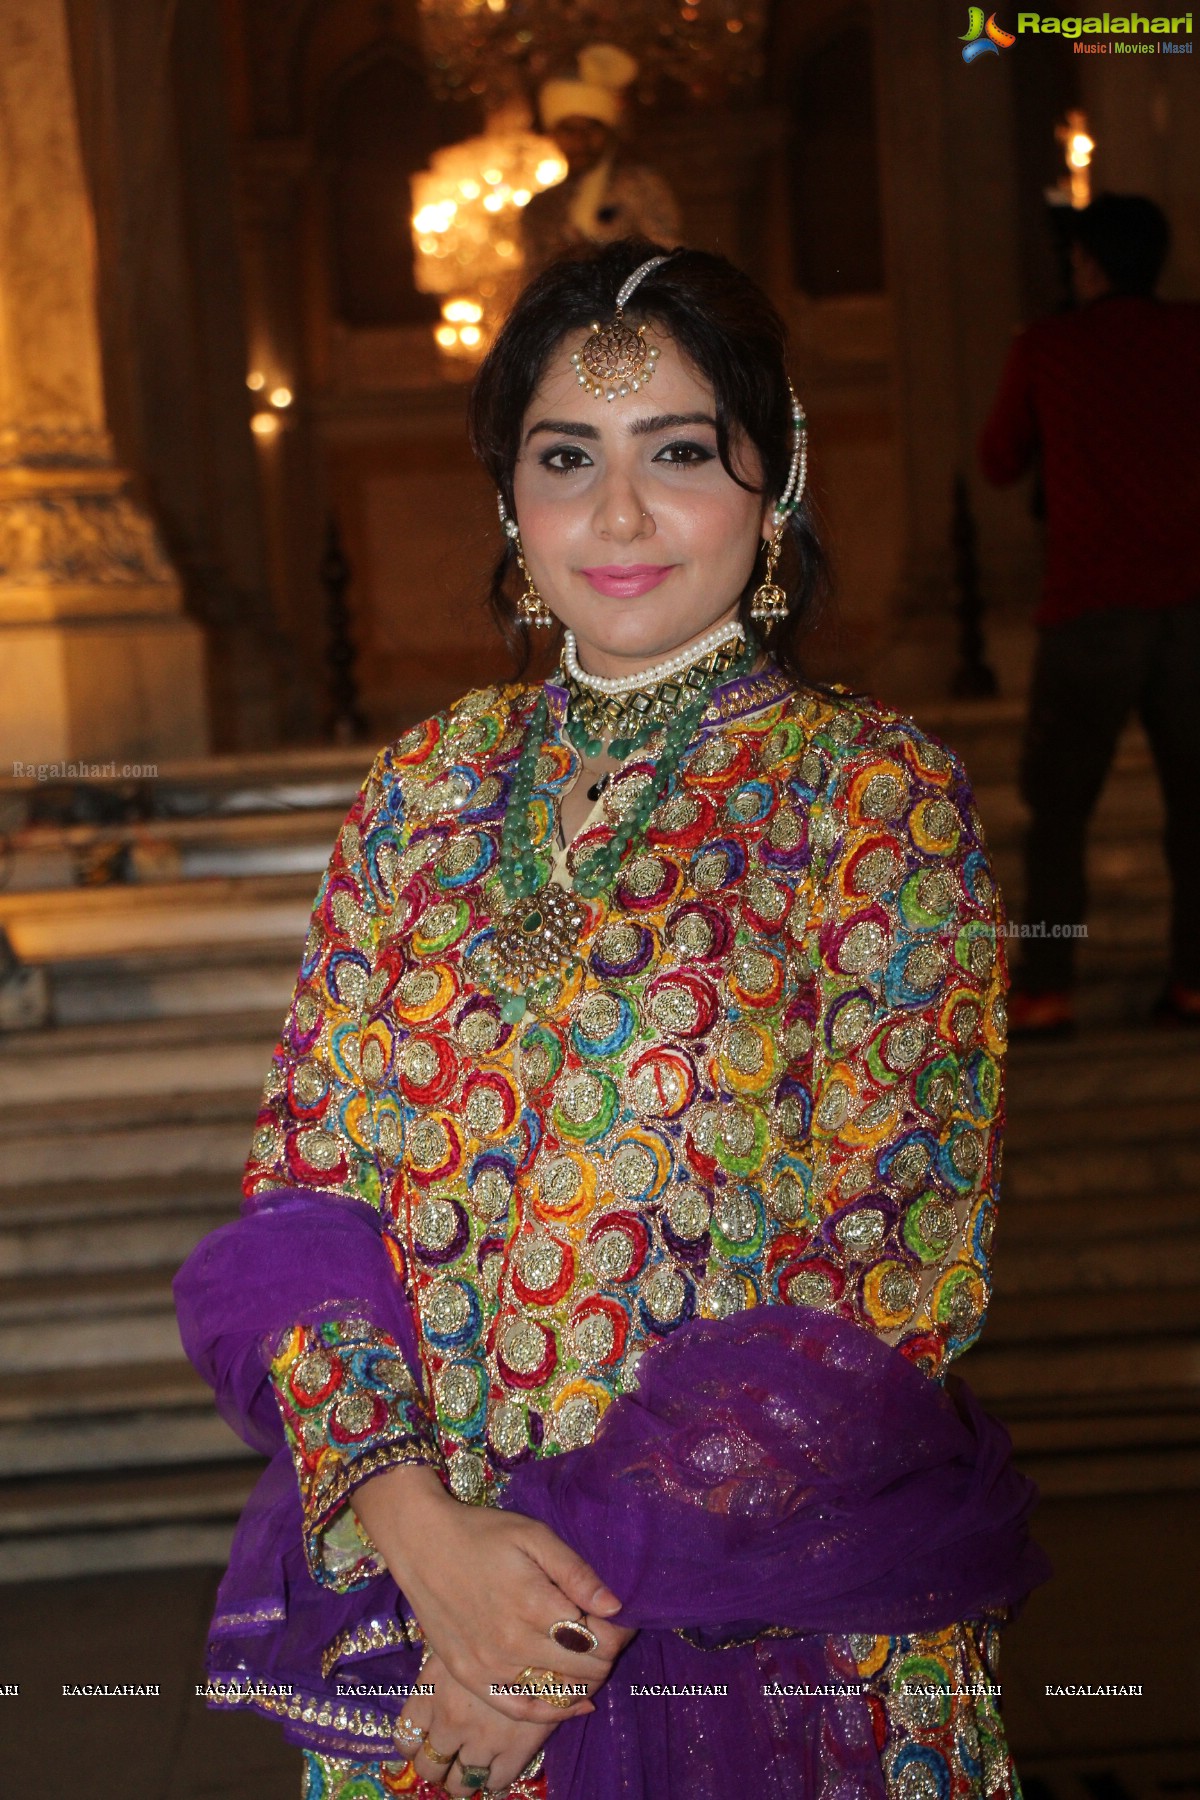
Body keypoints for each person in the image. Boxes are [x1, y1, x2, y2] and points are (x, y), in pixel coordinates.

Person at [176, 240, 1048, 1800]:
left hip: (752, 1628)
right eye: (567, 459)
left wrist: (549, 1621)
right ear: (512, 504)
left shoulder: (871, 795)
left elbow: (889, 1255)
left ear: (775, 491)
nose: (620, 515)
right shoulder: (427, 784)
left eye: (683, 457)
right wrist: (417, 1530)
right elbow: (306, 1194)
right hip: (429, 1612)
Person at [978, 193, 1200, 1034]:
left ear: (1091, 263)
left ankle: (1047, 987)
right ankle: (1193, 982)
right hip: (1194, 603)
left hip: (1092, 607)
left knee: (1061, 811)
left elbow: (1000, 460)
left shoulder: (1049, 348)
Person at [521, 46, 682, 272]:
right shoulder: (542, 208)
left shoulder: (641, 187)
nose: (580, 140)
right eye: (568, 130)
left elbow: (668, 260)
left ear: (608, 132)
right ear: (553, 135)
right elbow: (533, 282)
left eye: (591, 129)